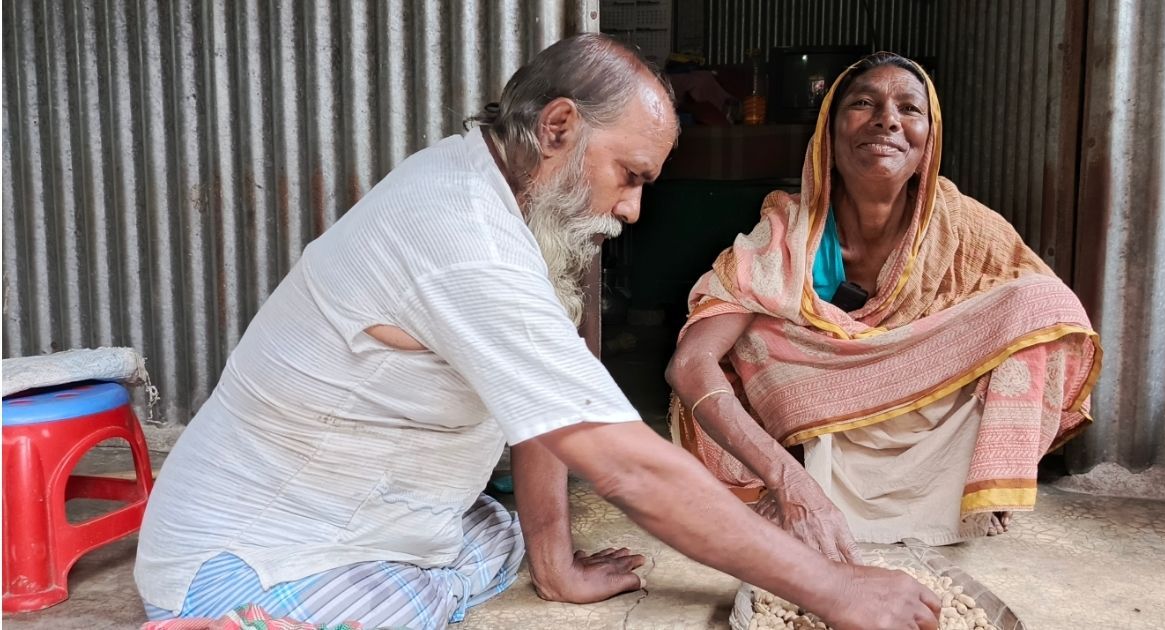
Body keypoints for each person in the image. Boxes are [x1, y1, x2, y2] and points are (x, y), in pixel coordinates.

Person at [135, 36, 941, 630]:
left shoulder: (494, 196)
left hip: (367, 522)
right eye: (630, 176)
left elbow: (547, 404)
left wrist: (554, 564)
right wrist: (832, 588)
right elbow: (626, 465)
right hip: (250, 561)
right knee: (435, 583)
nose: (632, 210)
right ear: (558, 127)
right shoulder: (465, 239)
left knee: (496, 532)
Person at [667, 52, 1101, 559]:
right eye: (863, 103)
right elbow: (691, 364)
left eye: (910, 108)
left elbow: (1050, 323)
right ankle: (801, 487)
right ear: (828, 132)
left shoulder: (963, 226)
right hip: (815, 427)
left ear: (929, 139)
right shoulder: (787, 231)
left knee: (1040, 306)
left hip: (923, 424)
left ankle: (968, 488)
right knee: (754, 333)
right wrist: (786, 480)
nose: (887, 120)